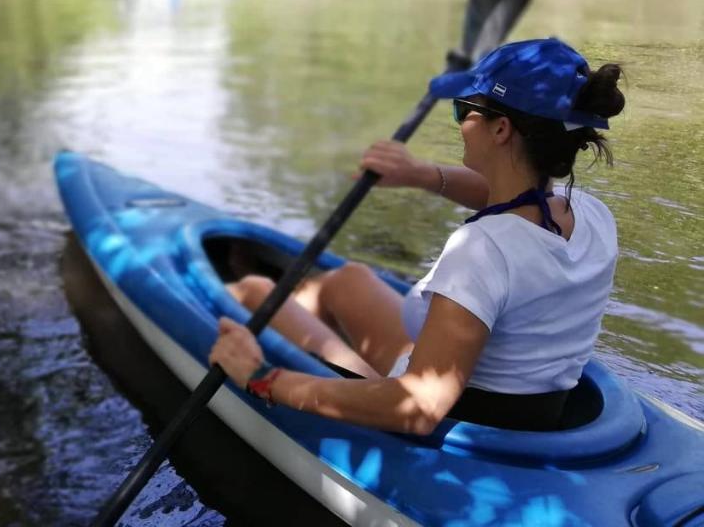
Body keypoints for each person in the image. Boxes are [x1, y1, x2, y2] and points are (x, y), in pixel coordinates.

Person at [209, 37, 626, 433]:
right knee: (349, 280)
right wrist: (420, 174)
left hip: (453, 417)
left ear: (501, 130)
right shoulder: (589, 214)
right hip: (515, 401)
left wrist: (263, 379)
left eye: (464, 111)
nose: (460, 123)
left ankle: (252, 328)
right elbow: (510, 197)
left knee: (254, 290)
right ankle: (307, 324)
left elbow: (419, 408)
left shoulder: (483, 251)